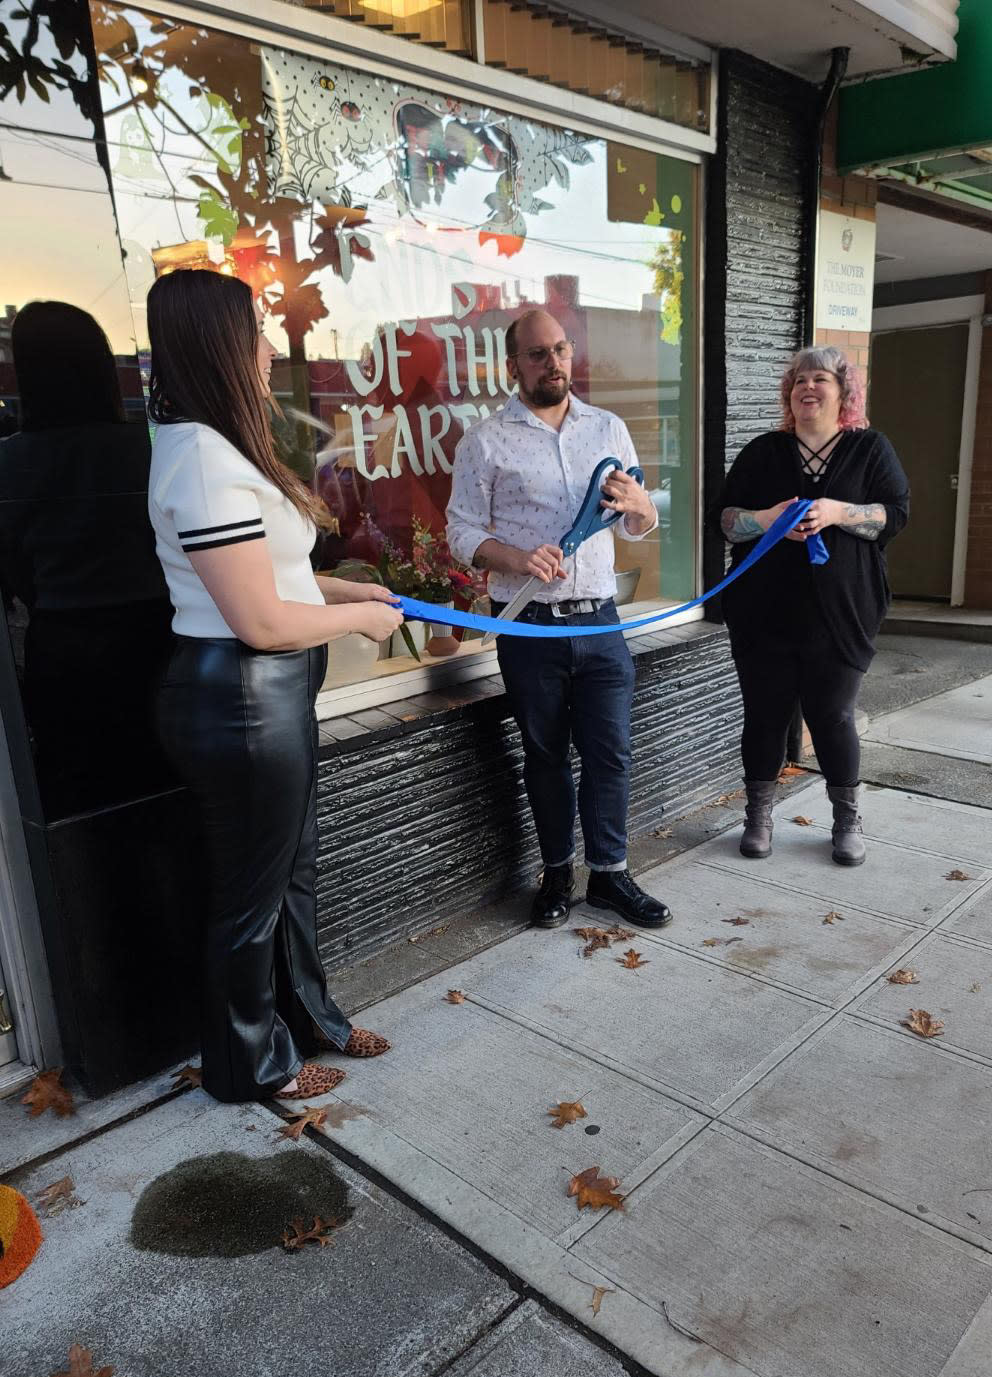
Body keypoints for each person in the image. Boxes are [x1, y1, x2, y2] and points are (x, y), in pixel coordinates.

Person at [147, 268, 403, 1103]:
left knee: (291, 876)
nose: (267, 346)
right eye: (254, 329)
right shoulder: (201, 462)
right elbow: (258, 620)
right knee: (251, 899)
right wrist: (359, 624)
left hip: (269, 700)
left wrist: (349, 591)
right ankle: (248, 1065)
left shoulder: (221, 449)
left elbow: (275, 575)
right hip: (242, 703)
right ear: (219, 346)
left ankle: (313, 1022)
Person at [447, 308, 672, 930]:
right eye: (538, 354)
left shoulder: (608, 429)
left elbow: (638, 522)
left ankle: (610, 875)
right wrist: (516, 558)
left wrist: (641, 506)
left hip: (601, 620)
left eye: (561, 349)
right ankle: (556, 874)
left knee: (611, 753)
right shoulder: (485, 440)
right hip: (530, 627)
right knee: (545, 756)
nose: (554, 363)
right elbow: (460, 529)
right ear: (514, 364)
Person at [714, 345, 909, 866]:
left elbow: (895, 516)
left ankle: (847, 821)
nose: (807, 388)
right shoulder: (763, 452)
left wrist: (838, 511)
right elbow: (726, 519)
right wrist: (768, 517)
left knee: (832, 717)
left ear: (844, 392)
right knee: (764, 717)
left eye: (820, 379)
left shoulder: (870, 449)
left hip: (842, 614)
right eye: (799, 380)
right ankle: (758, 818)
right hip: (763, 614)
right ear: (789, 395)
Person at [0, 301, 174, 819]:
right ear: (100, 364)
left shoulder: (10, 460)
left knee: (79, 811)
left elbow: (13, 569)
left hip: (65, 645)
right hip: (156, 633)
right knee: (166, 789)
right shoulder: (145, 447)